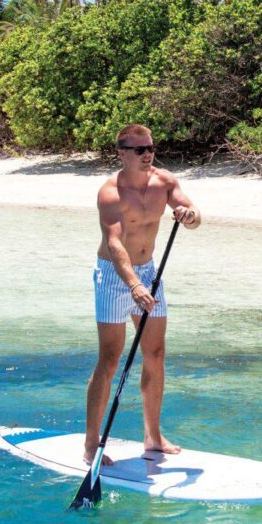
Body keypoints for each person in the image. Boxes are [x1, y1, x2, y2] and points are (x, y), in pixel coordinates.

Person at [85, 124, 201, 464]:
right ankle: (92, 443)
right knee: (109, 358)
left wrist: (189, 215)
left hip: (150, 273)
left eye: (150, 148)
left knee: (156, 353)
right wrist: (133, 285)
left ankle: (153, 436)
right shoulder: (111, 193)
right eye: (139, 150)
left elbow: (193, 215)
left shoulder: (164, 182)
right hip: (114, 277)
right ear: (122, 153)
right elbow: (115, 243)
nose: (147, 154)